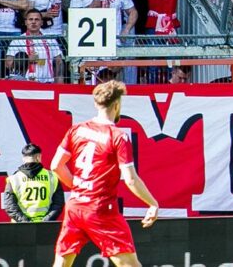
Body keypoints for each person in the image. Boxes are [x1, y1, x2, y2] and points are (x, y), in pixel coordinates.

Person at [49, 80, 159, 267]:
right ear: (117, 105)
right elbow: (130, 179)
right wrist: (152, 203)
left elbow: (55, 166)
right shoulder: (118, 136)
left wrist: (80, 187)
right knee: (130, 265)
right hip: (101, 209)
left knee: (61, 264)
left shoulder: (77, 129)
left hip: (75, 206)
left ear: (96, 103)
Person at [3, 142, 62, 222]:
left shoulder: (14, 178)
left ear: (23, 158)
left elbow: (10, 206)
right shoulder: (52, 176)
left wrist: (26, 222)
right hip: (46, 226)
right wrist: (45, 221)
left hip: (20, 227)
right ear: (39, 157)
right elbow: (58, 204)